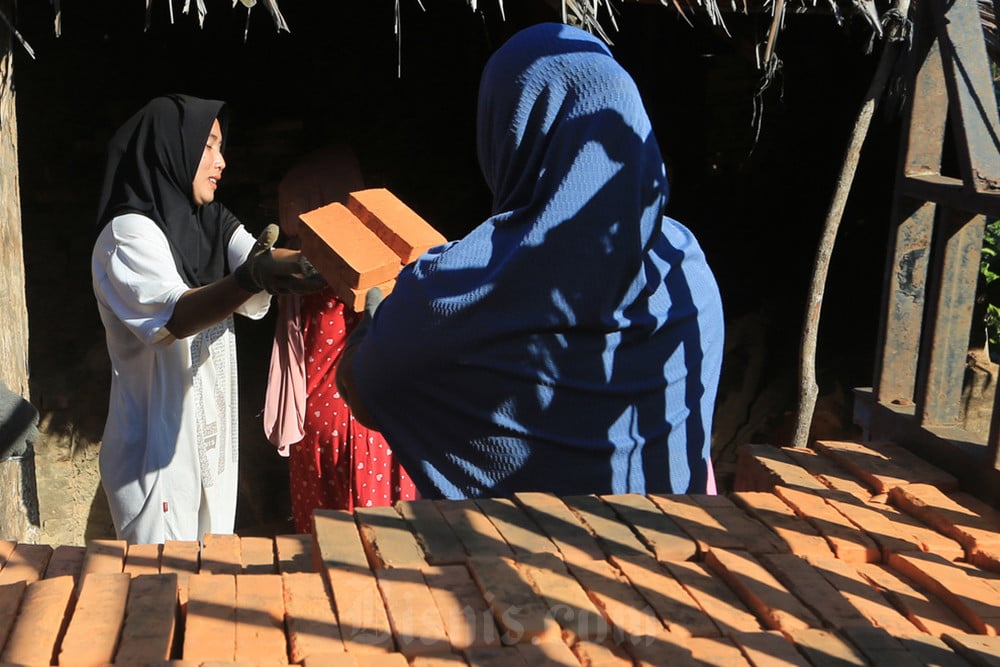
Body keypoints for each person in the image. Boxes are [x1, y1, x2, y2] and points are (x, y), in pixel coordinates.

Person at [336, 22, 725, 500]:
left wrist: (368, 326)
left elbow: (369, 387)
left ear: (505, 131)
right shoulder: (684, 263)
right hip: (673, 558)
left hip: (515, 566)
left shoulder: (450, 291)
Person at [92, 94, 325, 545]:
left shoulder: (208, 221)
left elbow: (261, 257)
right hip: (157, 458)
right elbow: (176, 315)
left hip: (211, 448)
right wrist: (253, 276)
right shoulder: (127, 234)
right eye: (210, 146)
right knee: (160, 592)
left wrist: (323, 264)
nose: (222, 161)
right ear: (171, 149)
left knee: (207, 584)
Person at [264, 146, 417, 533]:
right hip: (365, 423)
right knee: (378, 551)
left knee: (322, 550)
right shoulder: (367, 265)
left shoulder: (293, 262)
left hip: (310, 428)